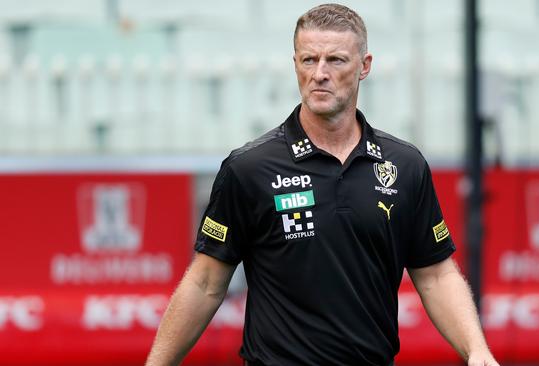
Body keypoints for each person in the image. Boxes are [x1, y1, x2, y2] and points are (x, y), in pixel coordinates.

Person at [146, 3, 499, 366]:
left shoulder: (404, 166)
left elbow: (437, 275)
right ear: (295, 64)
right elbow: (205, 282)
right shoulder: (249, 168)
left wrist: (476, 349)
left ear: (364, 66)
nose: (320, 73)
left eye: (335, 60)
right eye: (308, 60)